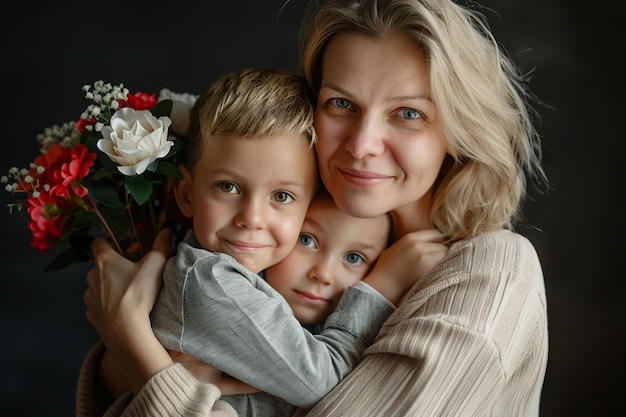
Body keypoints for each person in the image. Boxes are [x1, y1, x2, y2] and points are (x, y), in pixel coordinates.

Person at [80, 0, 549, 416]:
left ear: (460, 130)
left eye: (409, 113)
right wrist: (117, 370)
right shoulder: (268, 234)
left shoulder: (492, 277)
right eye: (341, 103)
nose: (363, 145)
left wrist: (135, 349)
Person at [84, 66, 439, 417]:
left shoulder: (260, 279)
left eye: (282, 196)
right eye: (228, 187)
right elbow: (324, 383)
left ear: (308, 204)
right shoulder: (210, 281)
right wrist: (381, 287)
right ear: (187, 194)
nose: (251, 218)